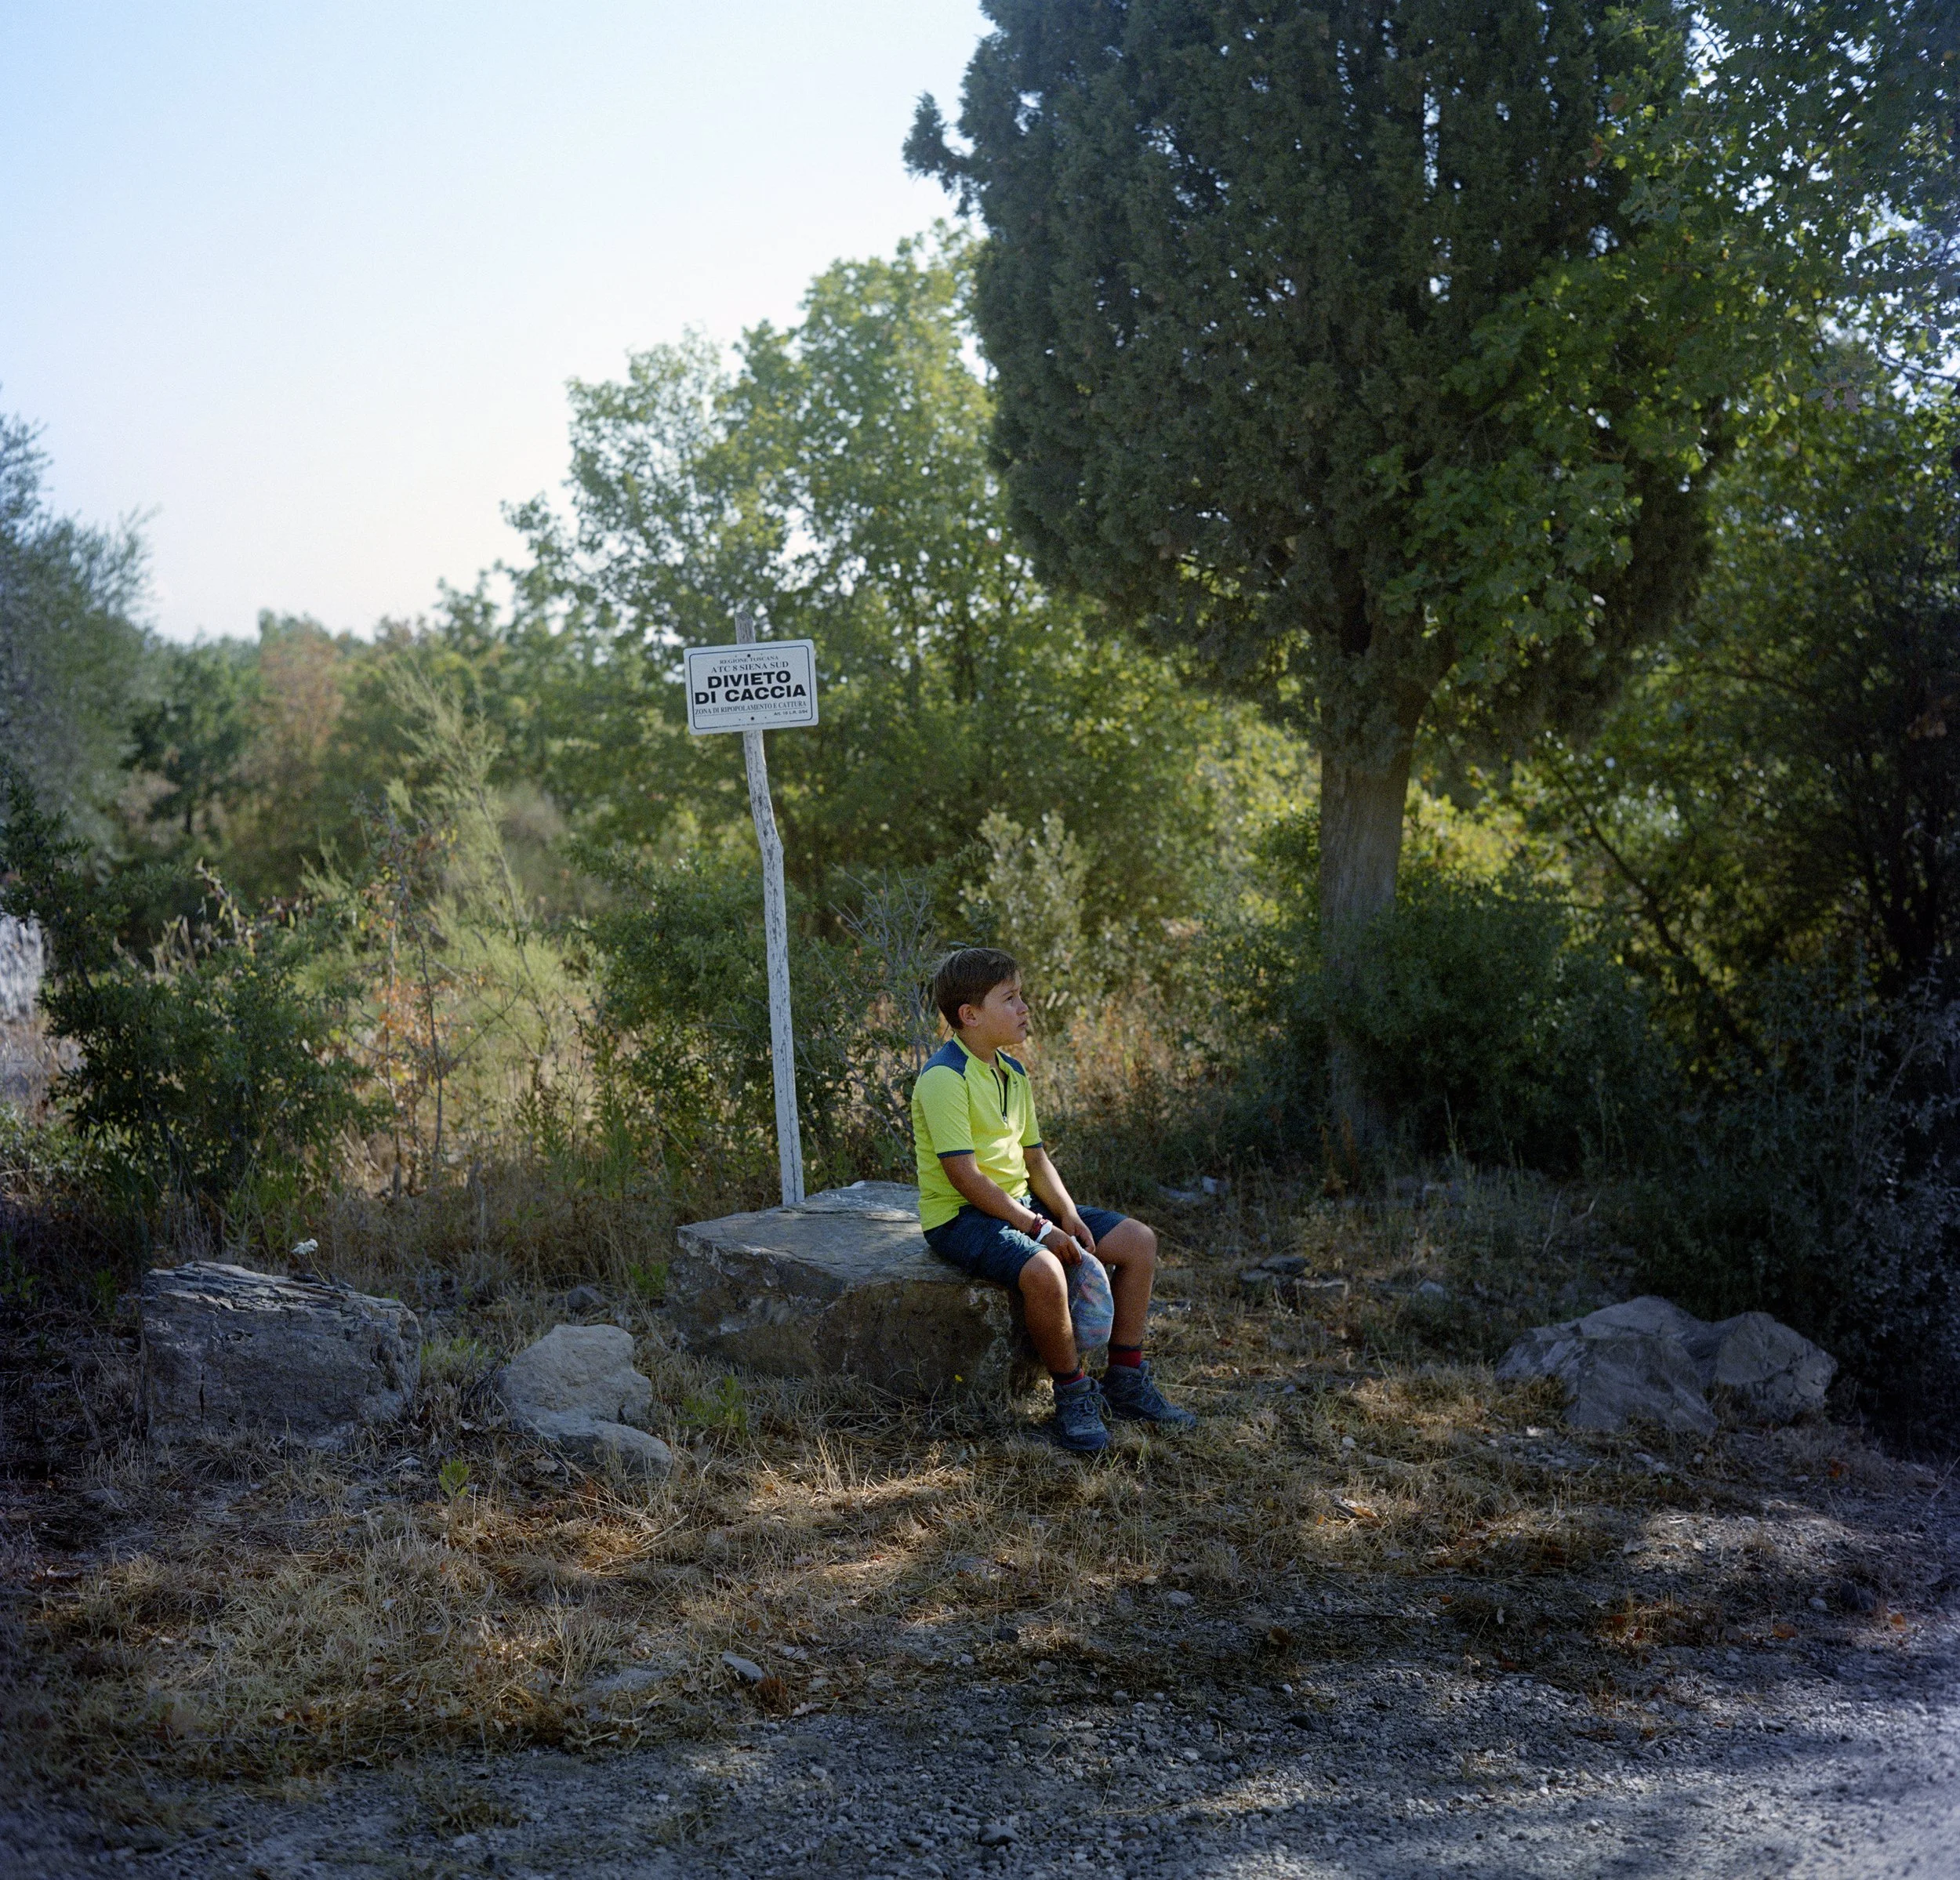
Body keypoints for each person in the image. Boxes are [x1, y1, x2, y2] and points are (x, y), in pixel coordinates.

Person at [912, 945, 1197, 1453]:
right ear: (970, 1015)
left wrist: (1064, 1212)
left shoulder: (1013, 1073)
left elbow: (1036, 1159)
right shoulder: (944, 1077)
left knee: (1138, 1241)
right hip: (959, 1217)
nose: (1025, 1008)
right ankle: (1072, 1397)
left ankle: (1126, 1380)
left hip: (1018, 1201)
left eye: (1022, 996)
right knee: (1043, 1269)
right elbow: (965, 1177)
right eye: (1011, 998)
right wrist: (1039, 1229)